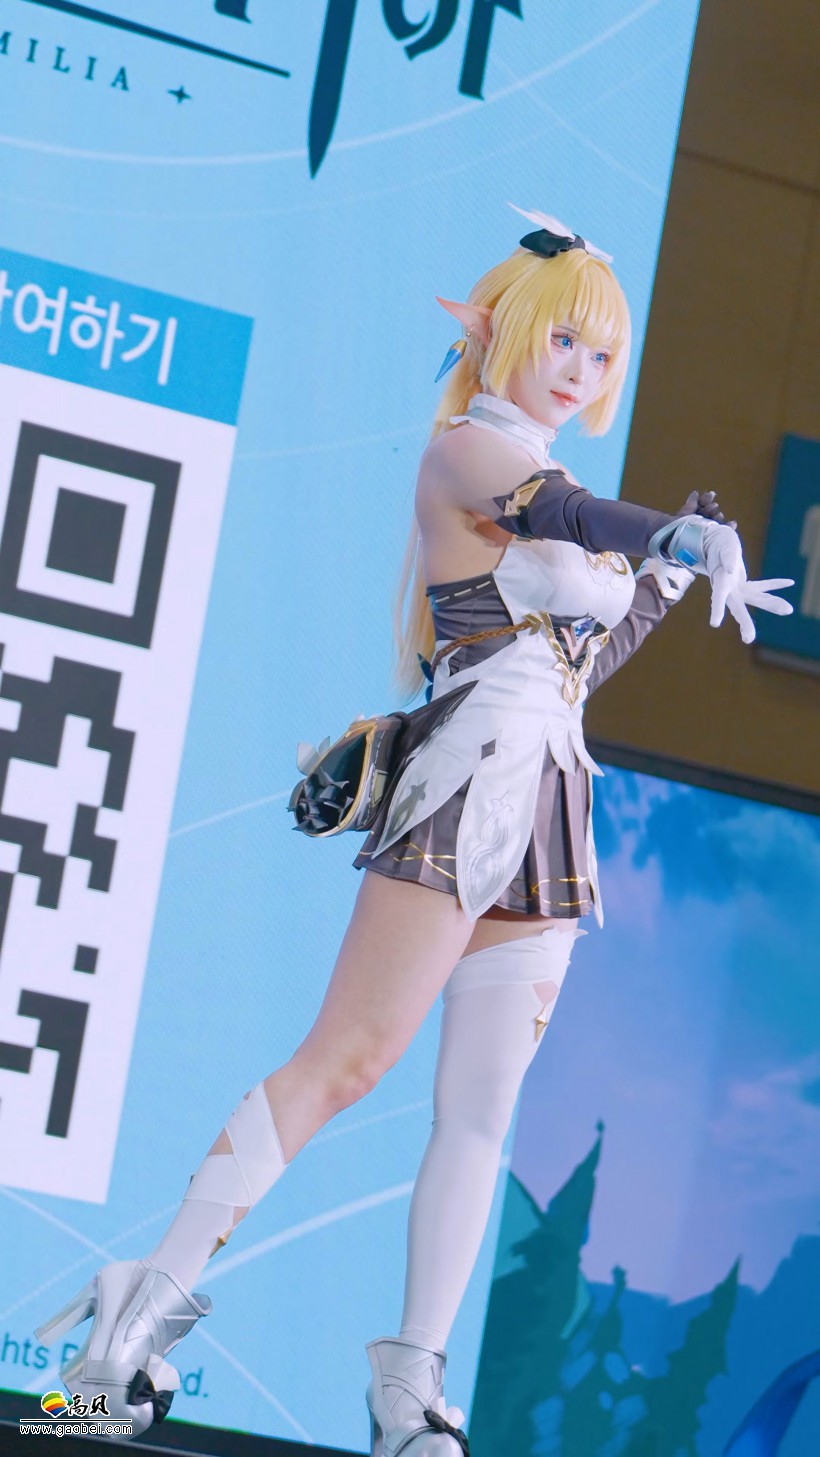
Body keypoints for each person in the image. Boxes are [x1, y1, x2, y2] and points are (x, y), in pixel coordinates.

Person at [33, 207, 793, 1455]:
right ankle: (131, 1321)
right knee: (346, 1060)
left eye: (601, 353)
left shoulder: (545, 480)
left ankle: (410, 1391)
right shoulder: (466, 454)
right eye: (561, 340)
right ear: (498, 332)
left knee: (480, 1113)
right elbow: (558, 513)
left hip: (548, 802)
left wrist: (660, 586)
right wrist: (660, 537)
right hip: (463, 783)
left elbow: (570, 667)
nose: (579, 370)